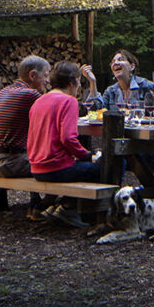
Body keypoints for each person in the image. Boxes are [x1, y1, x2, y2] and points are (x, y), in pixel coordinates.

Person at [28, 60, 100, 228]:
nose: (79, 87)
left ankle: (61, 206)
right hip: (56, 168)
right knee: (109, 166)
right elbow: (68, 138)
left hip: (36, 167)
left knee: (85, 166)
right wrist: (86, 155)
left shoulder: (39, 101)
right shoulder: (69, 101)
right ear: (72, 81)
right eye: (79, 82)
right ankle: (72, 208)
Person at [0, 55, 51, 219]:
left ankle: (38, 203)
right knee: (60, 165)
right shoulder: (30, 95)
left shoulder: (4, 91)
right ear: (33, 75)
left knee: (36, 153)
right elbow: (58, 110)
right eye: (46, 75)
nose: (48, 81)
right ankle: (52, 205)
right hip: (7, 163)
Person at [83, 48, 154, 111]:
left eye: (120, 60)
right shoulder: (110, 91)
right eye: (113, 61)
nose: (115, 63)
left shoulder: (146, 86)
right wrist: (92, 82)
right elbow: (98, 112)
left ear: (132, 67)